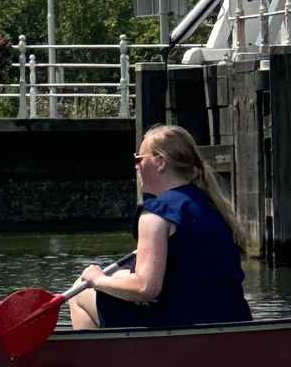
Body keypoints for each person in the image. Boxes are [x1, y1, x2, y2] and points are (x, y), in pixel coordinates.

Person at [69, 123, 251, 329]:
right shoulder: (212, 205)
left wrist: (97, 279)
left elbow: (145, 287)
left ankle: (98, 361)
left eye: (139, 159)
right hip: (233, 319)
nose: (136, 166)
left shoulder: (155, 212)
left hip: (181, 325)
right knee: (117, 277)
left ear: (160, 162)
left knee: (80, 292)